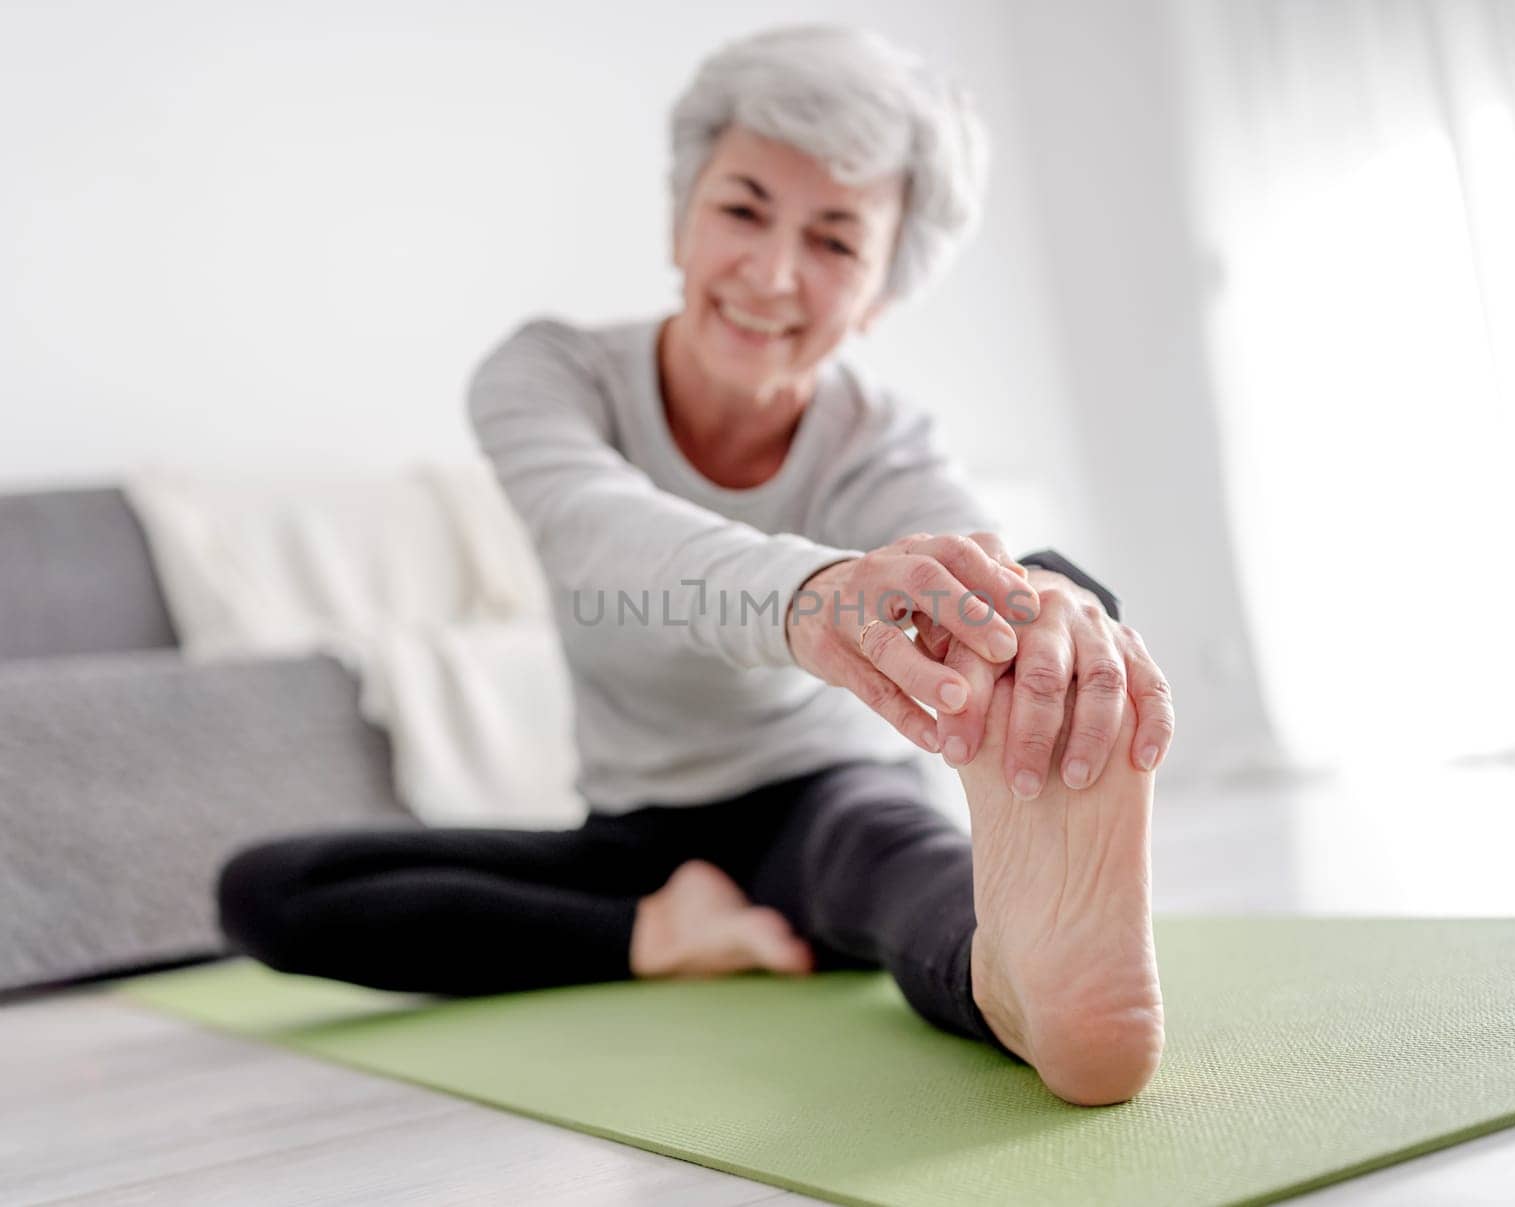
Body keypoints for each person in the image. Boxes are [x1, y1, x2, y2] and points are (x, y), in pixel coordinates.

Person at [215, 23, 1175, 1107]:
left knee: (909, 872)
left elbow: (965, 543)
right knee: (267, 891)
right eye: (743, 210)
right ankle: (665, 935)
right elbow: (601, 530)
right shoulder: (552, 376)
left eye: (833, 242)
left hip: (822, 799)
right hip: (636, 834)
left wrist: (1051, 605)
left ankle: (1012, 977)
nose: (771, 274)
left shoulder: (877, 441)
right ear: (682, 217)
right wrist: (809, 596)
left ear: (879, 294)